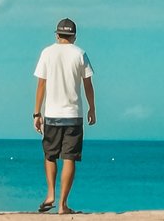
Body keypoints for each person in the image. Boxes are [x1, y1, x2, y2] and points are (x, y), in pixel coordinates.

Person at [32, 17, 96, 214]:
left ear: (57, 34)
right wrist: (92, 108)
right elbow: (88, 84)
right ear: (74, 36)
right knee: (69, 158)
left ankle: (50, 193)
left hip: (51, 114)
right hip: (73, 115)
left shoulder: (47, 53)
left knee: (50, 155)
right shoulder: (80, 54)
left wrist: (37, 113)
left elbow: (41, 84)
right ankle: (62, 205)